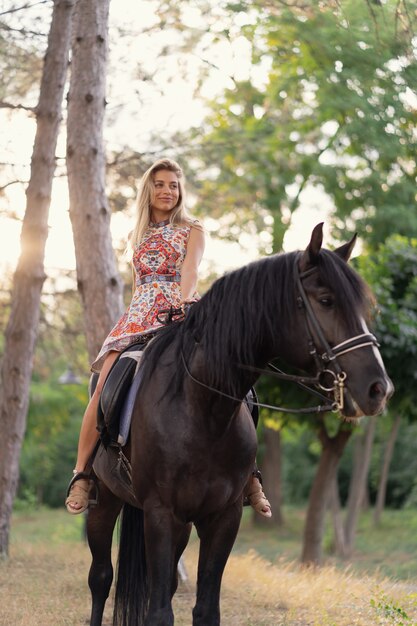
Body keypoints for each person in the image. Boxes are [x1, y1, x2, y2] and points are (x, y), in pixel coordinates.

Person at [65, 158, 271, 518]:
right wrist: (136, 318)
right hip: (138, 317)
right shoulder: (137, 235)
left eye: (173, 185)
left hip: (183, 311)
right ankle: (83, 474)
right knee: (102, 389)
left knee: (237, 382)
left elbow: (189, 271)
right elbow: (139, 284)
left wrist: (182, 303)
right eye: (160, 184)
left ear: (181, 191)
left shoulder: (193, 229)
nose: (167, 191)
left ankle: (250, 476)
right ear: (149, 189)